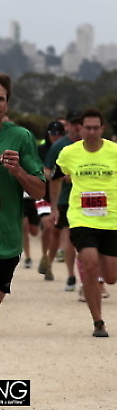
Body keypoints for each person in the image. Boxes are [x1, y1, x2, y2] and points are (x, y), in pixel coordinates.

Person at [55, 108, 117, 337]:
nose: (91, 132)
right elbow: (56, 176)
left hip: (111, 220)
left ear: (102, 129)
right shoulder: (69, 153)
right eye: (87, 128)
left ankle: (95, 271)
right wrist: (54, 207)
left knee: (111, 278)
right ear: (80, 129)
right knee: (90, 264)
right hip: (81, 218)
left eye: (95, 128)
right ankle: (98, 321)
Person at [0, 72, 46, 307]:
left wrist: (18, 171)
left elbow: (39, 192)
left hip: (5, 241)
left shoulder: (20, 137)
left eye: (1, 98)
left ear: (7, 104)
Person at [40, 110, 83, 289]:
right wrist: (60, 176)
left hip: (84, 199)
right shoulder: (59, 146)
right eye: (73, 124)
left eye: (79, 124)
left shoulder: (90, 146)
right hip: (64, 198)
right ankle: (49, 262)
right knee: (58, 235)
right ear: (68, 126)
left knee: (72, 236)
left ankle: (72, 276)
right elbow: (47, 170)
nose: (76, 128)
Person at [21, 120, 65, 269]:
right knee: (43, 225)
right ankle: (36, 256)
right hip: (41, 194)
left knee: (46, 229)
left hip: (60, 195)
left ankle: (49, 256)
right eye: (53, 133)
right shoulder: (40, 150)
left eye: (59, 133)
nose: (55, 136)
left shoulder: (67, 150)